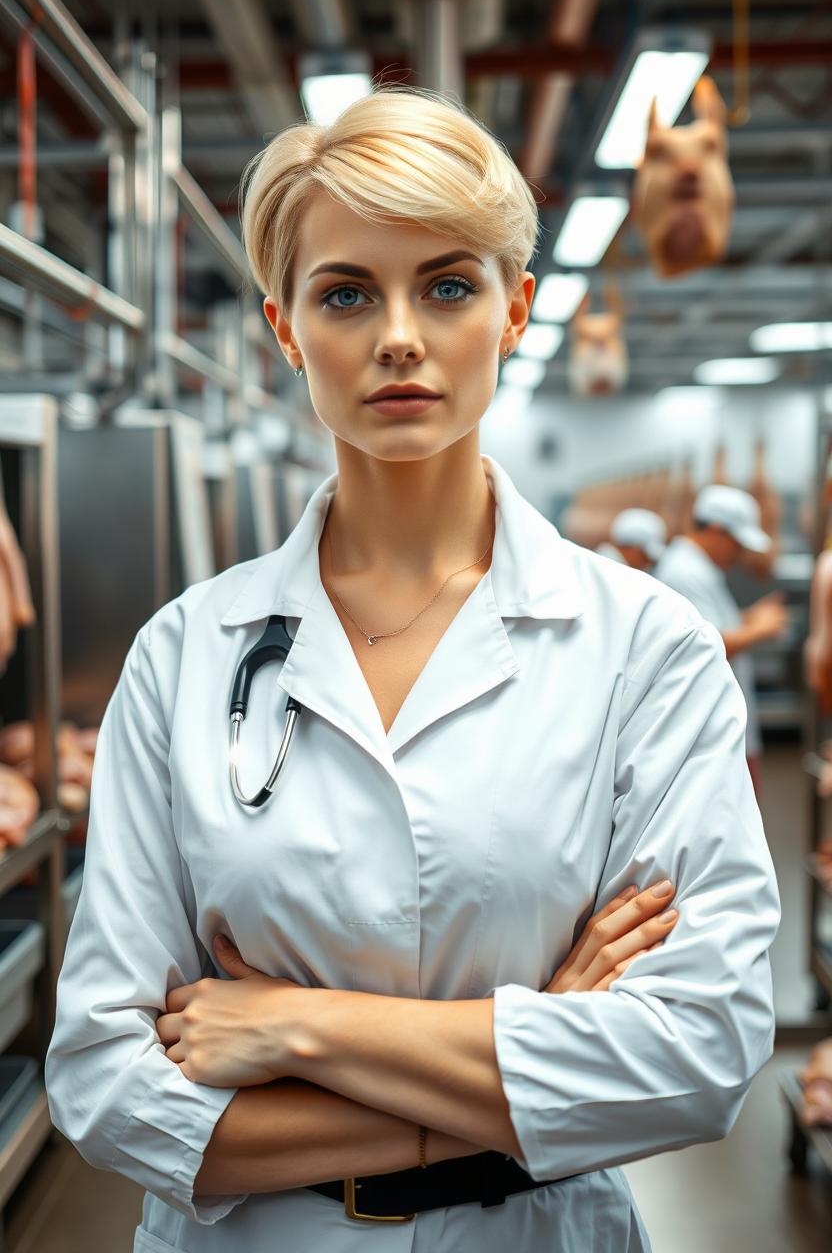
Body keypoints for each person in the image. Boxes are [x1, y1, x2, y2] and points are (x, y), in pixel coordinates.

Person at [45, 87, 780, 1253]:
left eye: (446, 286)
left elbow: (698, 1052)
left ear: (514, 309)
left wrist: (297, 1025)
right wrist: (527, 1070)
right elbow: (104, 1083)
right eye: (345, 293)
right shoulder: (184, 653)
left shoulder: (645, 647)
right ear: (286, 328)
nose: (398, 334)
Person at [654, 484, 788, 797]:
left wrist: (749, 617)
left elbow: (708, 625)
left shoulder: (697, 567)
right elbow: (705, 645)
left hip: (722, 722)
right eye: (737, 543)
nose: (740, 553)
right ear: (715, 529)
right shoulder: (684, 571)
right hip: (710, 728)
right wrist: (761, 629)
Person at [596, 508, 667, 571]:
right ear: (632, 548)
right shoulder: (611, 572)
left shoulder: (603, 564)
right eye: (645, 556)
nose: (648, 563)